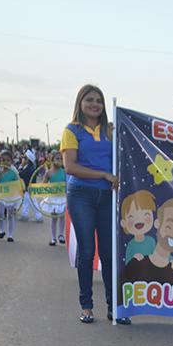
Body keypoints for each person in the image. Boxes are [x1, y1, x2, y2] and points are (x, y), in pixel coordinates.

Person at [61, 84, 125, 324]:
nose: (94, 104)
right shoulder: (72, 130)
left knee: (109, 253)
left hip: (107, 197)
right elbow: (70, 167)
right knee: (87, 251)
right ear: (80, 103)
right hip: (81, 195)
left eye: (99, 100)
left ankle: (114, 309)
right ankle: (86, 306)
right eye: (89, 100)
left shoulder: (110, 131)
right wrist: (103, 175)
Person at [0, 150, 20, 242]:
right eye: (3, 160)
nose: (6, 162)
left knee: (10, 215)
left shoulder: (14, 171)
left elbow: (18, 182)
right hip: (1, 195)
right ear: (0, 161)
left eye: (8, 160)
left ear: (11, 161)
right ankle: (1, 230)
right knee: (0, 213)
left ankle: (10, 235)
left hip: (11, 195)